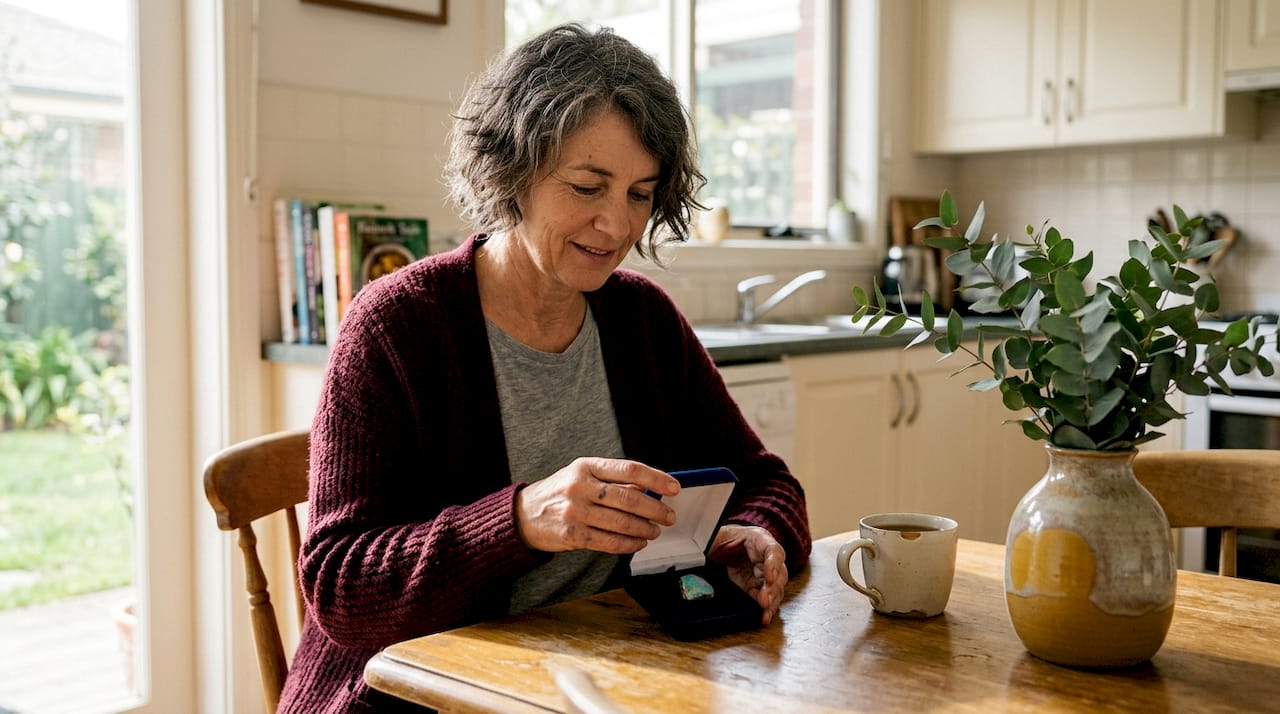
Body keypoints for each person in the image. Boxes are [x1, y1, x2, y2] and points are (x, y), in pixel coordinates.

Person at [278, 23, 811, 713]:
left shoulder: (642, 321)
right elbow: (340, 585)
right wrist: (522, 520)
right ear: (513, 170)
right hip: (418, 696)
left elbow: (766, 480)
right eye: (588, 186)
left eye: (640, 194)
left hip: (601, 677)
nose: (617, 227)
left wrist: (759, 532)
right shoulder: (396, 326)